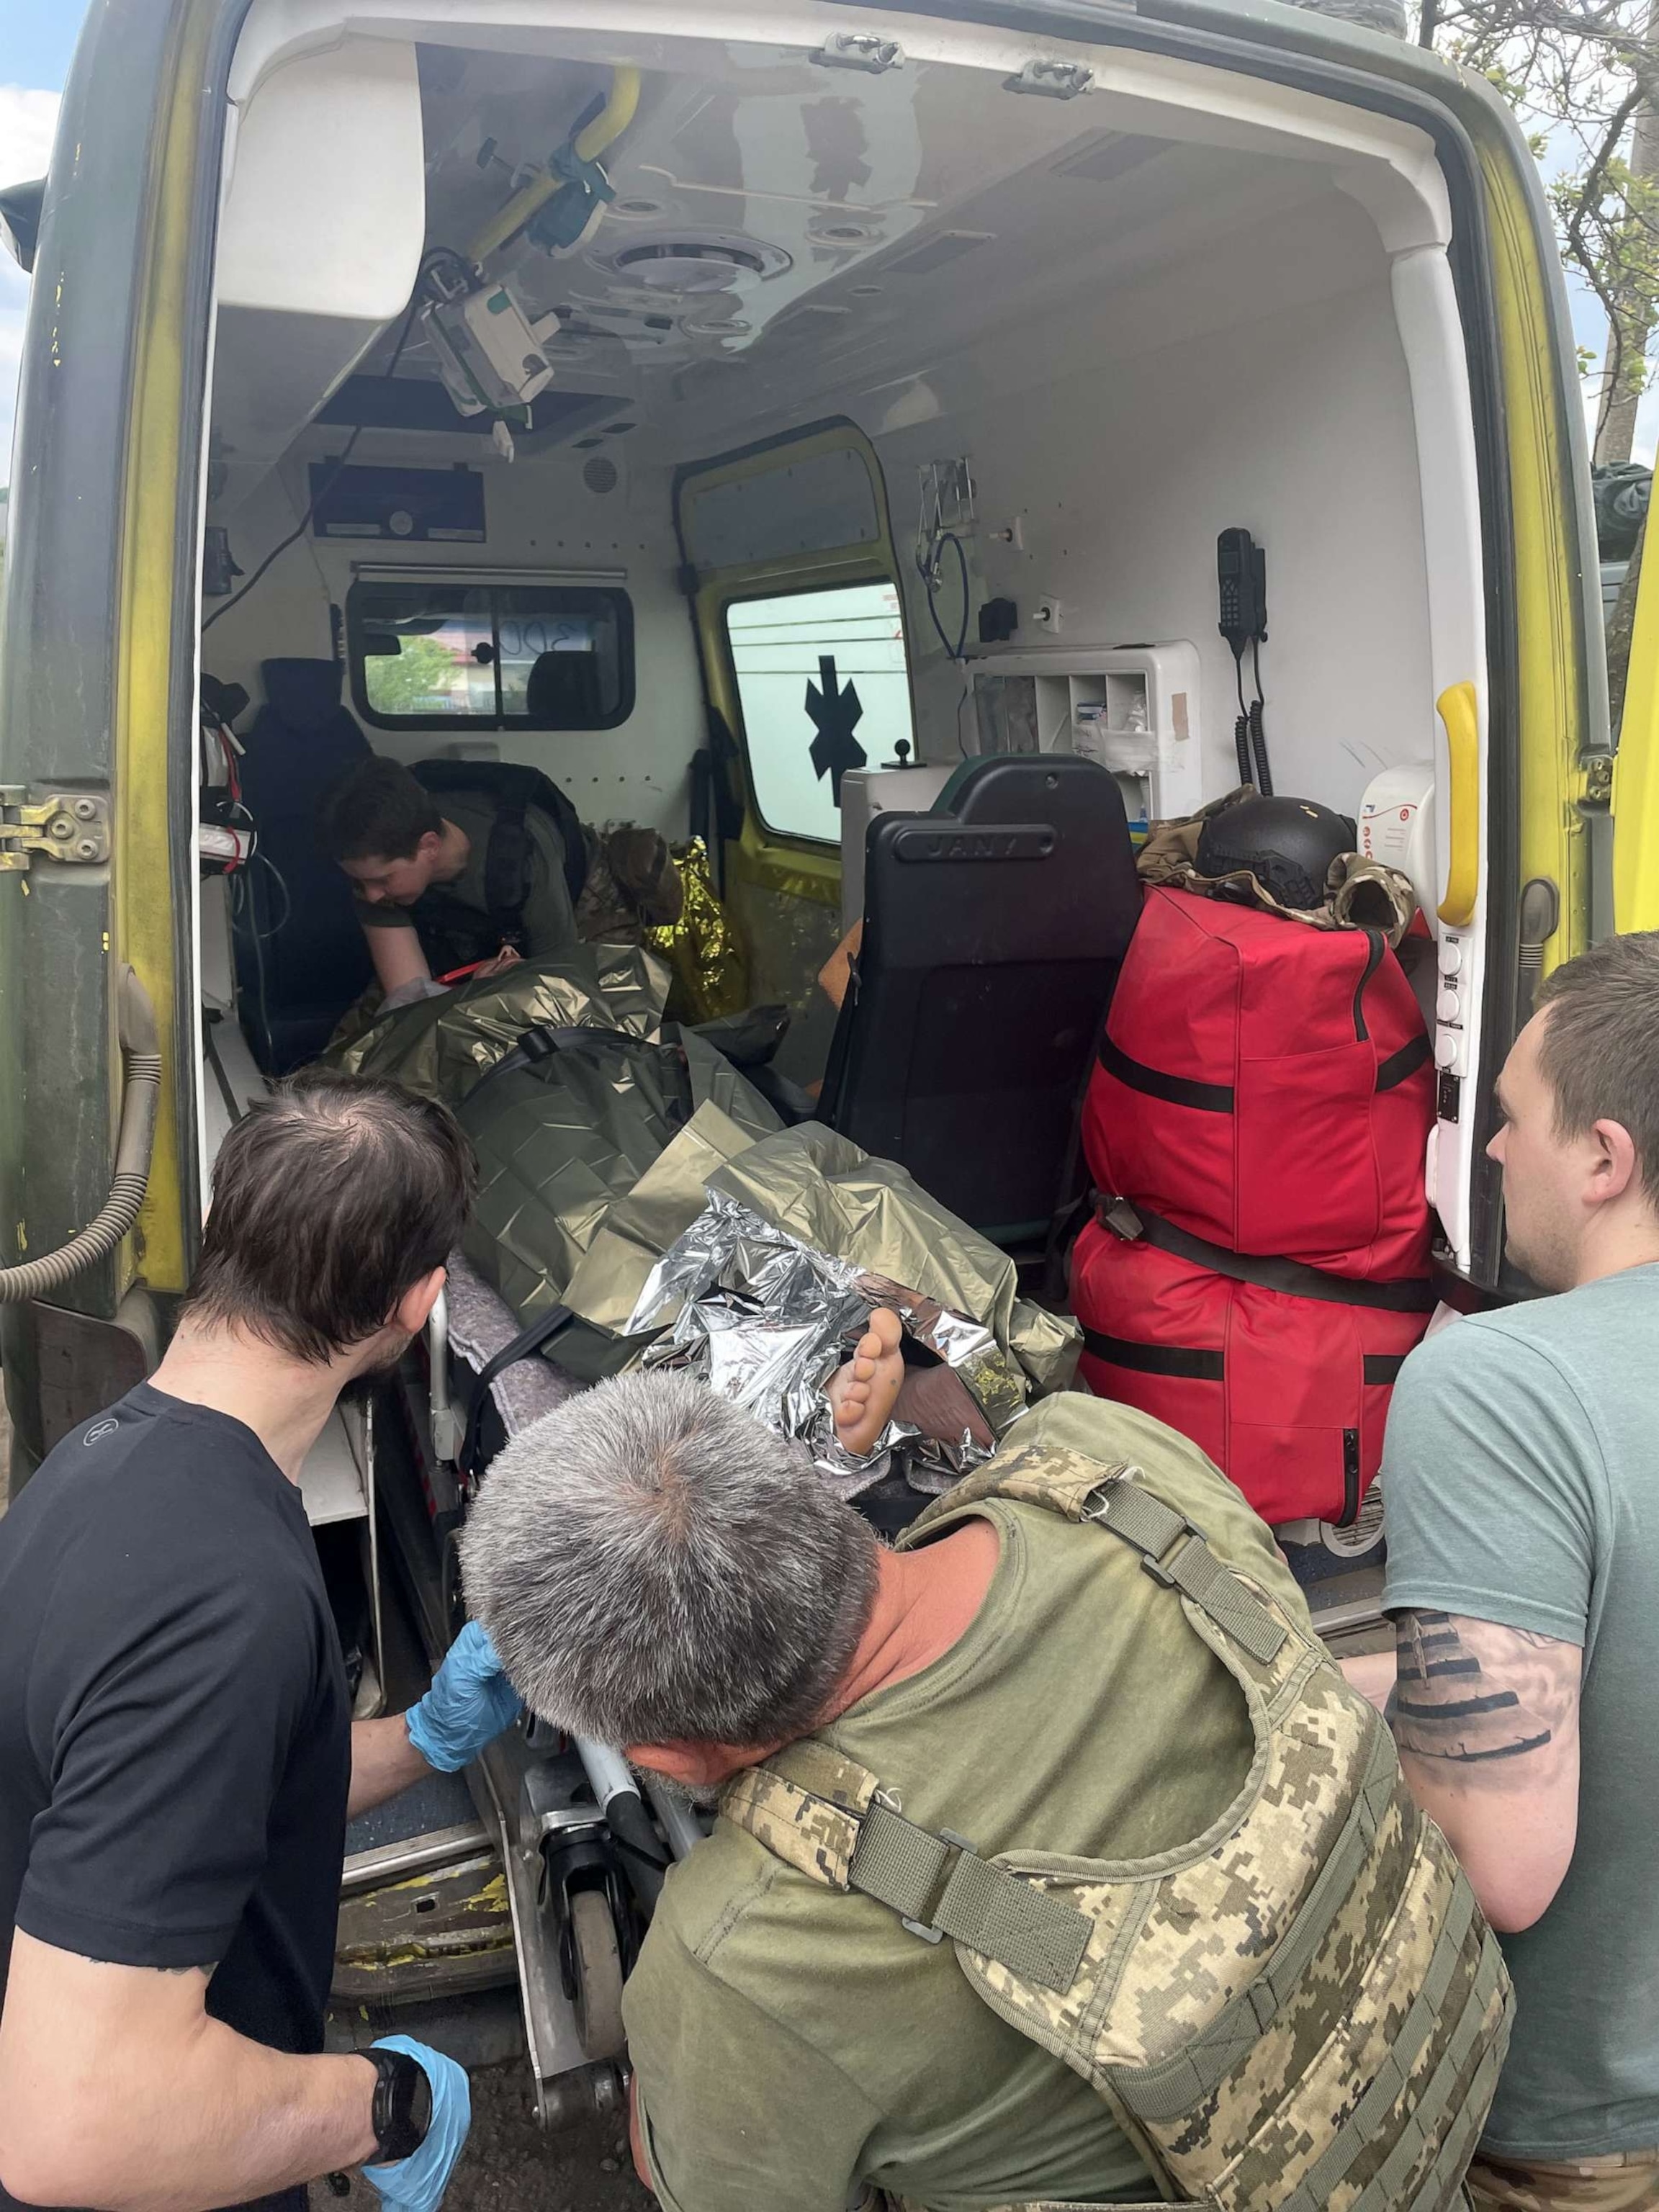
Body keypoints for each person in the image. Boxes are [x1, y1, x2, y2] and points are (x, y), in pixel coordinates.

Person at [462, 1314, 1509, 2212]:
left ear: (657, 1755)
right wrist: (916, 1386)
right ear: (801, 1485)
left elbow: (693, 2174)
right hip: (1433, 2109)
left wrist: (674, 2084)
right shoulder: (1112, 1466)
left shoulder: (743, 1959)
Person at [0, 1074, 524, 2212]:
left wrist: (423, 1742)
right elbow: (78, 2128)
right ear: (420, 1301)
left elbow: (211, 1793)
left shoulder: (116, 1456)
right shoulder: (220, 1605)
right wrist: (386, 2105)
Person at [1354, 930, 1659, 2212]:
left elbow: (1497, 1858)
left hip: (1584, 2130)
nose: (1486, 1147)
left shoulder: (1501, 1384)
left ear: (1602, 1157)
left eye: (1514, 1116)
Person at [318, 757, 680, 1004]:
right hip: (468, 918)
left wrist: (500, 992)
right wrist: (469, 996)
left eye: (381, 880)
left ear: (428, 846)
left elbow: (564, 989)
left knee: (604, 1014)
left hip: (582, 894)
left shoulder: (522, 862)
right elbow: (407, 1001)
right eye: (361, 882)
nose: (371, 895)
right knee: (369, 1039)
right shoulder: (376, 866)